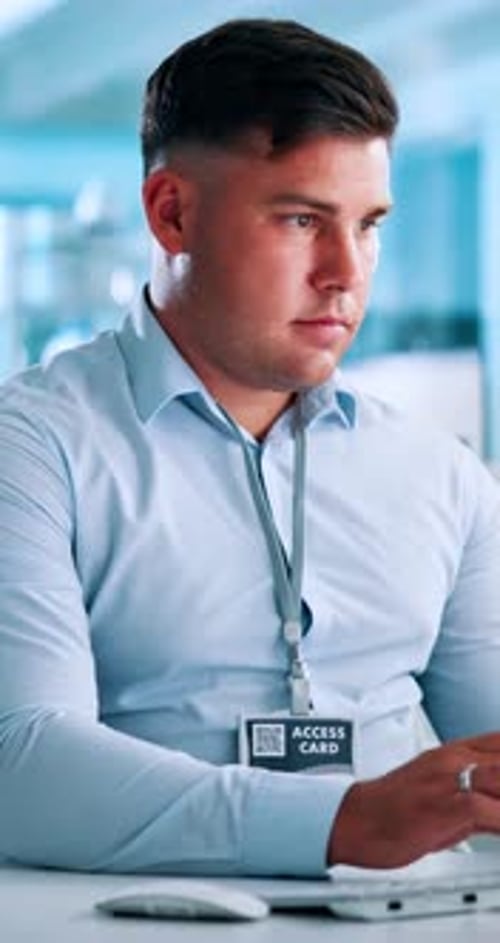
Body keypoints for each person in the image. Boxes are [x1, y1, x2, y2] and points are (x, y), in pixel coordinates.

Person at [0, 17, 500, 878]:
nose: (347, 271)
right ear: (172, 212)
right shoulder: (35, 447)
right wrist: (339, 819)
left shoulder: (441, 475)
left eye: (369, 223)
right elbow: (23, 766)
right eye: (303, 219)